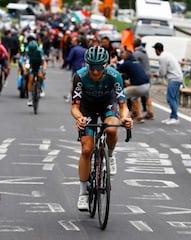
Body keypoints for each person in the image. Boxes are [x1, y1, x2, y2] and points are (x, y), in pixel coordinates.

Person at [71, 46, 132, 211]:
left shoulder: (115, 75)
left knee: (112, 129)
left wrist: (126, 117)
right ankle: (83, 193)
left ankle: (110, 155)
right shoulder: (80, 76)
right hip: (87, 107)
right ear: (86, 64)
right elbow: (75, 107)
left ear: (105, 65)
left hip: (107, 104)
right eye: (92, 67)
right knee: (86, 149)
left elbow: (123, 105)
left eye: (99, 67)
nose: (96, 72)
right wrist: (79, 118)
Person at [117, 48, 153, 123]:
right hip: (147, 85)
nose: (121, 54)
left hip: (139, 87)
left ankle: (124, 116)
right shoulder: (136, 61)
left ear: (126, 55)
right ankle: (139, 116)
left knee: (121, 95)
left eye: (122, 53)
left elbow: (117, 71)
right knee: (134, 98)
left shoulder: (127, 63)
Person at [152, 42, 183, 125]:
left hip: (174, 78)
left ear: (157, 50)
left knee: (170, 98)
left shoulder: (163, 57)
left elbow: (162, 72)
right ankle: (173, 116)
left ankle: (174, 117)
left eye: (155, 50)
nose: (155, 52)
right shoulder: (168, 54)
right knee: (174, 98)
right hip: (178, 78)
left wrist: (156, 74)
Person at [62, 37, 85, 102]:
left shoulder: (74, 49)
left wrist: (64, 65)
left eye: (73, 41)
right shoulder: (83, 49)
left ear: (76, 42)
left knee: (73, 82)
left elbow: (69, 59)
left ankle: (69, 96)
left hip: (76, 68)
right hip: (83, 67)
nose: (71, 42)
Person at [24, 40, 47, 106]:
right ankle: (30, 98)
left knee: (40, 75)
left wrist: (44, 69)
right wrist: (25, 69)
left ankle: (41, 87)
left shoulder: (40, 51)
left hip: (39, 65)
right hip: (32, 65)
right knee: (30, 79)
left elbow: (44, 62)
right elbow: (25, 61)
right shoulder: (27, 51)